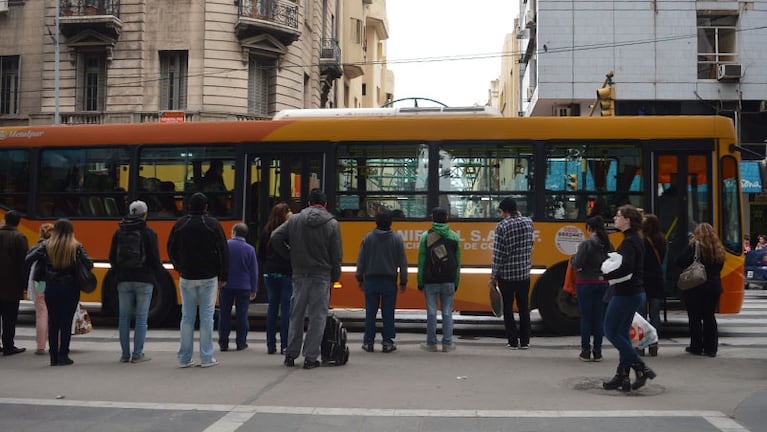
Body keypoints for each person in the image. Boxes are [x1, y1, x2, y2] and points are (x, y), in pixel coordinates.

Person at [271, 189, 342, 370]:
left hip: (299, 274)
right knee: (318, 317)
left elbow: (275, 237)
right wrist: (335, 275)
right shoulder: (332, 224)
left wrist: (290, 255)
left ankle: (290, 354)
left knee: (296, 315)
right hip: (322, 275)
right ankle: (310, 358)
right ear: (325, 205)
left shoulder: (294, 220)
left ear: (309, 203)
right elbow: (336, 254)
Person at [167, 192, 229, 368]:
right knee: (207, 317)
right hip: (208, 277)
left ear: (188, 206)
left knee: (187, 317)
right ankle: (207, 357)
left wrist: (179, 266)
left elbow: (170, 248)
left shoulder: (180, 224)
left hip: (187, 276)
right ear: (206, 207)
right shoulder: (212, 224)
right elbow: (223, 251)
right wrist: (223, 276)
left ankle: (185, 358)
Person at [602, 205, 656, 392]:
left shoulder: (630, 241)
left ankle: (640, 367)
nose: (615, 218)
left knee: (610, 331)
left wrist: (605, 275)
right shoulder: (635, 239)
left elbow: (627, 268)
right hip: (634, 292)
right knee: (622, 334)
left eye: (618, 215)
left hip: (626, 293)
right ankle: (622, 376)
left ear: (627, 220)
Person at [26, 219, 92, 366]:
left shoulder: (46, 245)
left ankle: (53, 356)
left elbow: (29, 258)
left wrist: (44, 263)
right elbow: (89, 264)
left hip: (51, 287)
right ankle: (64, 355)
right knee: (66, 323)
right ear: (70, 231)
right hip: (70, 288)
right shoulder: (76, 246)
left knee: (53, 321)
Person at [108, 200, 165, 363]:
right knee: (141, 318)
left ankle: (125, 354)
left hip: (123, 280)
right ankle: (137, 354)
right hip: (144, 279)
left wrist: (119, 272)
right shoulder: (149, 232)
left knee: (124, 318)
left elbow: (112, 257)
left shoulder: (119, 231)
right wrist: (154, 275)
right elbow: (155, 259)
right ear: (145, 214)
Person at [356, 209, 408, 353]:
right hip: (389, 281)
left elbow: (361, 260)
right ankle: (387, 342)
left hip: (371, 280)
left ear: (376, 222)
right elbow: (402, 262)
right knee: (388, 313)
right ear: (391, 222)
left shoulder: (368, 238)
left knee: (370, 312)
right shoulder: (397, 239)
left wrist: (359, 277)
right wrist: (403, 281)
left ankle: (368, 342)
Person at [490, 198, 533, 350]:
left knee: (507, 308)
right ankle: (525, 341)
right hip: (524, 273)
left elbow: (498, 254)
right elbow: (530, 245)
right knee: (523, 308)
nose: (501, 215)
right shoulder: (528, 223)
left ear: (505, 211)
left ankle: (513, 341)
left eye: (501, 212)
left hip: (507, 275)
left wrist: (493, 277)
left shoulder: (502, 226)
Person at [676, 223, 725, 358]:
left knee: (695, 318)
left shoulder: (694, 246)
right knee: (709, 317)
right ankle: (711, 348)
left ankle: (696, 346)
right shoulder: (718, 248)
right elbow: (720, 267)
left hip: (695, 287)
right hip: (714, 287)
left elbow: (679, 261)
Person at [417, 207, 461, 352]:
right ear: (447, 218)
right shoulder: (454, 236)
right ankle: (447, 343)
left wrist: (420, 281)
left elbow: (422, 261)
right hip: (448, 280)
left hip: (430, 281)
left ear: (432, 219)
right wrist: (456, 282)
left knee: (431, 313)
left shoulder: (425, 236)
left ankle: (431, 343)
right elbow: (457, 263)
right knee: (447, 312)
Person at [571, 215, 613, 362]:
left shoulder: (586, 244)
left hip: (585, 283)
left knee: (586, 318)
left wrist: (572, 259)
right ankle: (598, 352)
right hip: (602, 283)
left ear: (589, 228)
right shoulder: (609, 244)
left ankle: (585, 351)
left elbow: (577, 263)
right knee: (599, 318)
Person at [257, 202, 293, 355]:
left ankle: (271, 345)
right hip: (285, 274)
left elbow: (261, 254)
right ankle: (285, 344)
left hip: (269, 274)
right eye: (289, 211)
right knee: (286, 309)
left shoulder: (266, 231)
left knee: (272, 308)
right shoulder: (288, 231)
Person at [218, 223, 258, 352]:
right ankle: (241, 343)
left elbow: (220, 264)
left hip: (226, 285)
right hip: (244, 286)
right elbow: (253, 271)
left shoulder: (226, 245)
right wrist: (254, 289)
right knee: (242, 315)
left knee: (224, 314)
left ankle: (223, 343)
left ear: (233, 232)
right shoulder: (250, 249)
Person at [0, 210, 29, 356]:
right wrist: (25, 283)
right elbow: (23, 263)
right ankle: (8, 346)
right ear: (18, 222)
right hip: (12, 286)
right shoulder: (19, 237)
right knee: (9, 318)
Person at [26, 223, 54, 355]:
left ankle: (41, 346)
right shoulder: (57, 246)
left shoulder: (37, 247)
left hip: (40, 282)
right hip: (55, 282)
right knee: (55, 313)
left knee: (42, 313)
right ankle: (58, 344)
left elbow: (27, 260)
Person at [641, 214, 667, 357]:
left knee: (642, 315)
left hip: (644, 281)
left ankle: (642, 345)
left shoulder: (643, 242)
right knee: (655, 315)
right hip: (657, 281)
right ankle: (654, 345)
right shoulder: (662, 241)